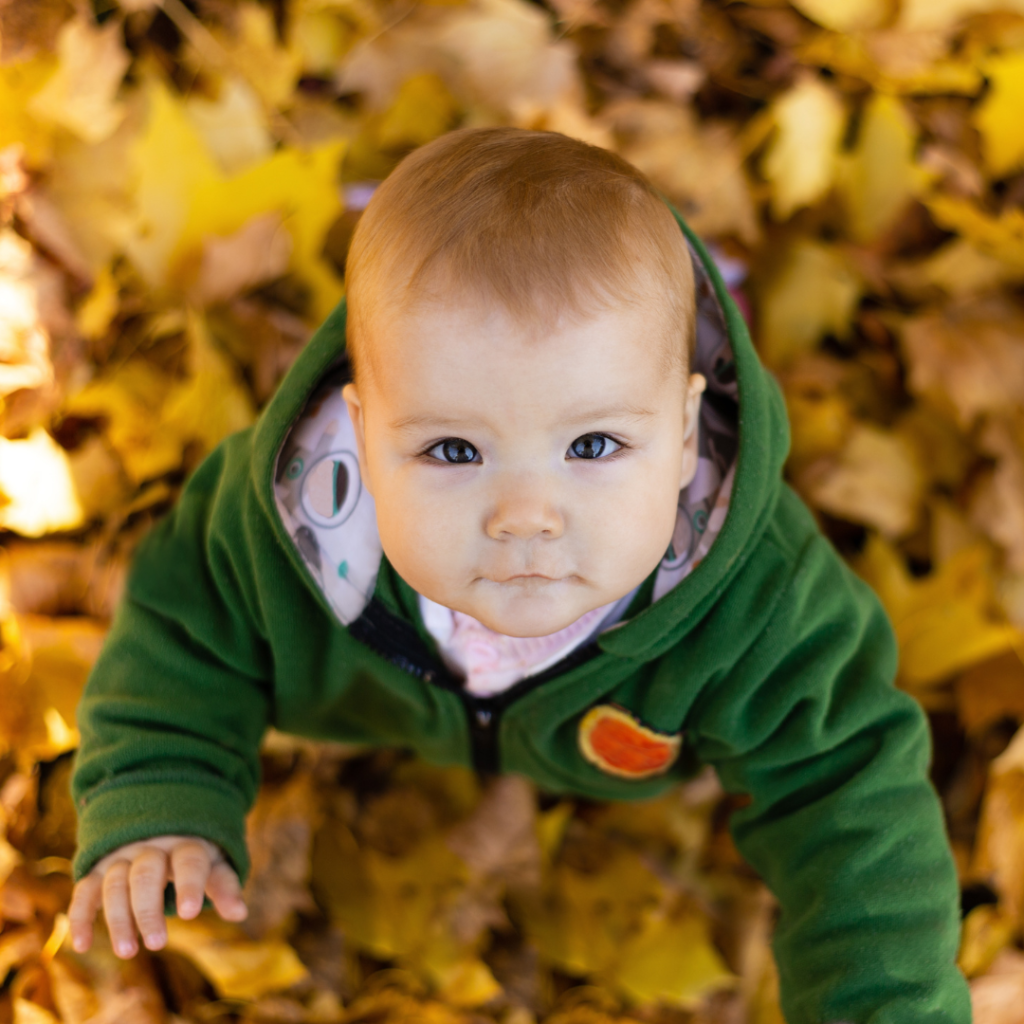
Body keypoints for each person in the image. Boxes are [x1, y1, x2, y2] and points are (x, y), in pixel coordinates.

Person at [68, 127, 970, 1024]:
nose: (527, 515)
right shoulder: (283, 525)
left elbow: (850, 794)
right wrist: (161, 793)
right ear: (365, 433)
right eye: (454, 449)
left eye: (594, 444)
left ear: (688, 436)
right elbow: (180, 632)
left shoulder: (759, 600)